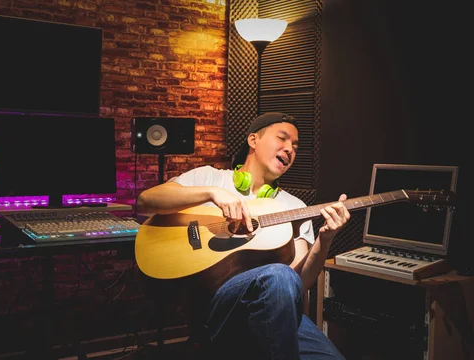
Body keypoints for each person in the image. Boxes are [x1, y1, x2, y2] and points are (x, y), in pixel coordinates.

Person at [136, 112, 350, 360]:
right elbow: (146, 200)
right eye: (282, 138)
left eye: (295, 145)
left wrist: (325, 239)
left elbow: (298, 282)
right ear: (253, 140)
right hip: (217, 310)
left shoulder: (296, 207)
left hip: (278, 312)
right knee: (279, 275)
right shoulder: (210, 178)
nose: (289, 149)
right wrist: (212, 193)